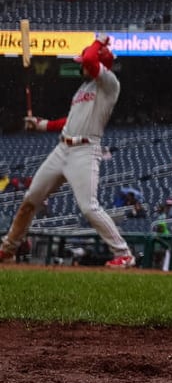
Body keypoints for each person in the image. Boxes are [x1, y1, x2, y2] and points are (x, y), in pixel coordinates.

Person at [0, 37, 136, 268]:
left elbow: (92, 59)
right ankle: (8, 248)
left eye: (83, 62)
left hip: (85, 150)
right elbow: (70, 120)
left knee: (88, 207)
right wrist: (42, 124)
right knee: (30, 200)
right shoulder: (84, 88)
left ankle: (124, 254)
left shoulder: (109, 84)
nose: (81, 64)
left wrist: (97, 42)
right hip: (62, 148)